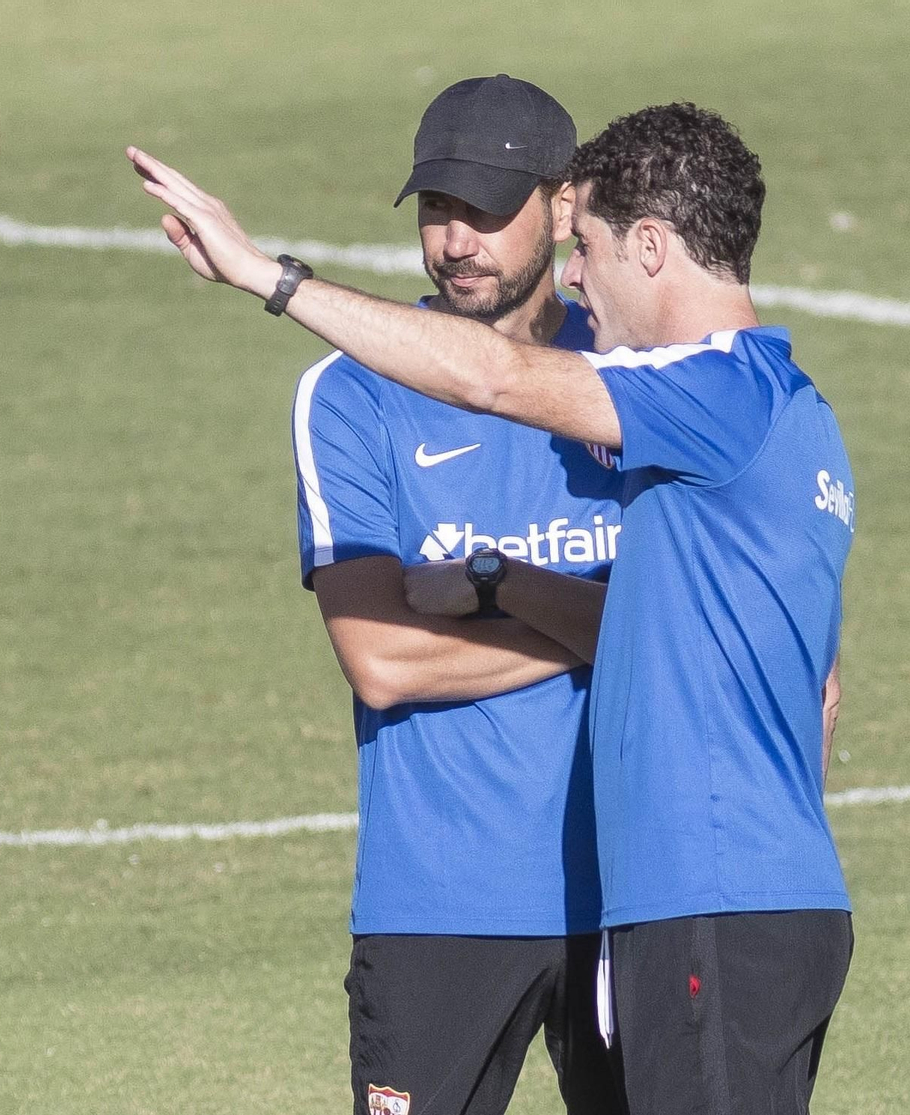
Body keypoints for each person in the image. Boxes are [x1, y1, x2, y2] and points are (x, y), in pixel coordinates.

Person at [128, 100, 854, 1115]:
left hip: (706, 899)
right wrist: (517, 588)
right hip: (739, 896)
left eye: (586, 247)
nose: (572, 274)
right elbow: (814, 693)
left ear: (640, 242)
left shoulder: (702, 397)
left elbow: (499, 378)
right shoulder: (794, 410)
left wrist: (267, 276)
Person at [293, 75, 626, 1115]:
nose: (456, 243)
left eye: (485, 212)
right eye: (438, 213)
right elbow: (384, 661)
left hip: (635, 889)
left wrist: (495, 591)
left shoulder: (633, 372)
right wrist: (606, 628)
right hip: (439, 906)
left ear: (562, 205)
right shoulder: (350, 392)